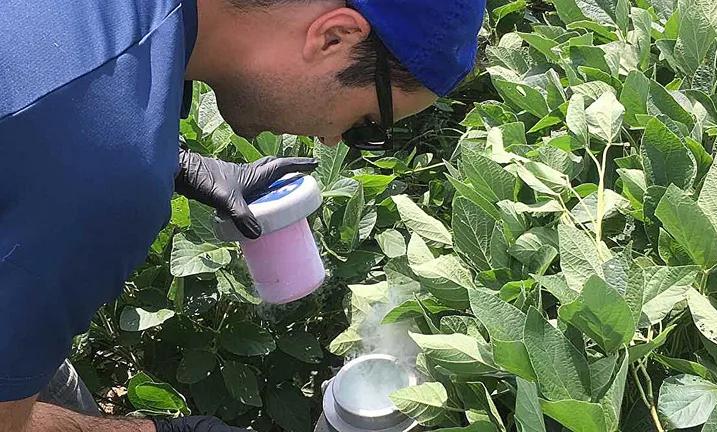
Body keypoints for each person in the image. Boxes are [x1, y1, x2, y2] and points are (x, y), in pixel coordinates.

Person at [0, 0, 486, 430]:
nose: (336, 141)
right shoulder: (99, 178)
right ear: (334, 36)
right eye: (366, 126)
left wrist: (172, 160)